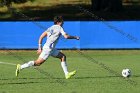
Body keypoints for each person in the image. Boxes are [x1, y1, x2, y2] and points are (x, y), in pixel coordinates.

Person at [15, 16, 80, 79]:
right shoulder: (59, 27)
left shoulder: (50, 28)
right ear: (58, 22)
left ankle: (67, 74)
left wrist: (40, 47)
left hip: (50, 48)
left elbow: (41, 37)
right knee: (38, 63)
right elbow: (66, 37)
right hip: (48, 49)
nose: (63, 23)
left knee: (63, 56)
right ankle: (20, 67)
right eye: (62, 21)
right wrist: (75, 37)